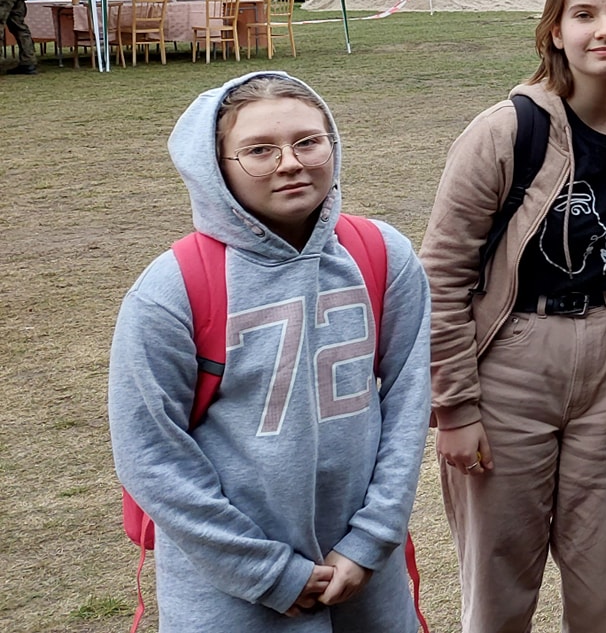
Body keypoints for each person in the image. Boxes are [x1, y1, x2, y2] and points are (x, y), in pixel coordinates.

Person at [109, 72, 432, 629]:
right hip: (230, 589)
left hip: (366, 578)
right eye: (259, 150)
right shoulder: (172, 289)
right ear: (215, 166)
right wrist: (264, 571)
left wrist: (371, 539)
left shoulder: (384, 254)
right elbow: (150, 453)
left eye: (308, 141)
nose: (290, 163)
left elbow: (407, 405)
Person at [420, 0, 606, 633]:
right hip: (512, 363)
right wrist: (455, 407)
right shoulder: (507, 131)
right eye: (583, 15)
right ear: (555, 31)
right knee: (499, 590)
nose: (605, 30)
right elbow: (441, 274)